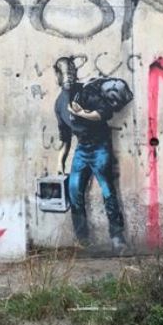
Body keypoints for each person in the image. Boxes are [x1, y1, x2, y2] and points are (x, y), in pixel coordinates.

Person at [53, 57, 127, 250]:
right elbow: (65, 137)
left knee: (107, 191)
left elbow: (104, 113)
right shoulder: (59, 104)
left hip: (100, 145)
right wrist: (60, 161)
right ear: (57, 77)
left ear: (75, 73)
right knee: (74, 191)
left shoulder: (86, 91)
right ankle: (83, 239)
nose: (68, 76)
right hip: (82, 149)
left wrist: (82, 113)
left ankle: (118, 238)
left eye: (70, 71)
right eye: (63, 73)